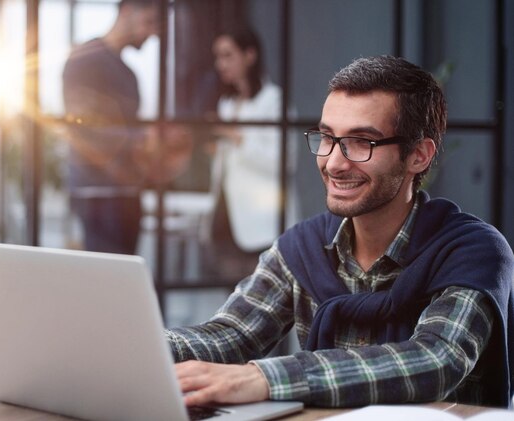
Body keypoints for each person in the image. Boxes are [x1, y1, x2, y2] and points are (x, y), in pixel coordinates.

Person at [166, 55, 514, 408]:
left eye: (362, 142)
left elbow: (435, 361)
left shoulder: (472, 252)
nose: (333, 162)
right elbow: (229, 335)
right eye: (327, 137)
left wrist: (264, 378)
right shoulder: (302, 248)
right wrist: (142, 345)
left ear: (419, 156)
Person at [62, 0, 166, 254]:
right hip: (99, 196)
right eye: (149, 22)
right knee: (104, 282)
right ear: (127, 10)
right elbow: (83, 129)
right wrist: (141, 138)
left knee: (123, 279)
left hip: (127, 194)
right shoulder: (85, 60)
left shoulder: (128, 74)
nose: (152, 33)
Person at [205, 26, 282, 277]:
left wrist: (236, 138)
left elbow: (282, 161)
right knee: (230, 295)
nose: (220, 64)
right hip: (226, 214)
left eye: (228, 55)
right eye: (218, 57)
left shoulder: (273, 100)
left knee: (260, 292)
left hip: (259, 219)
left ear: (250, 55)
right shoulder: (226, 103)